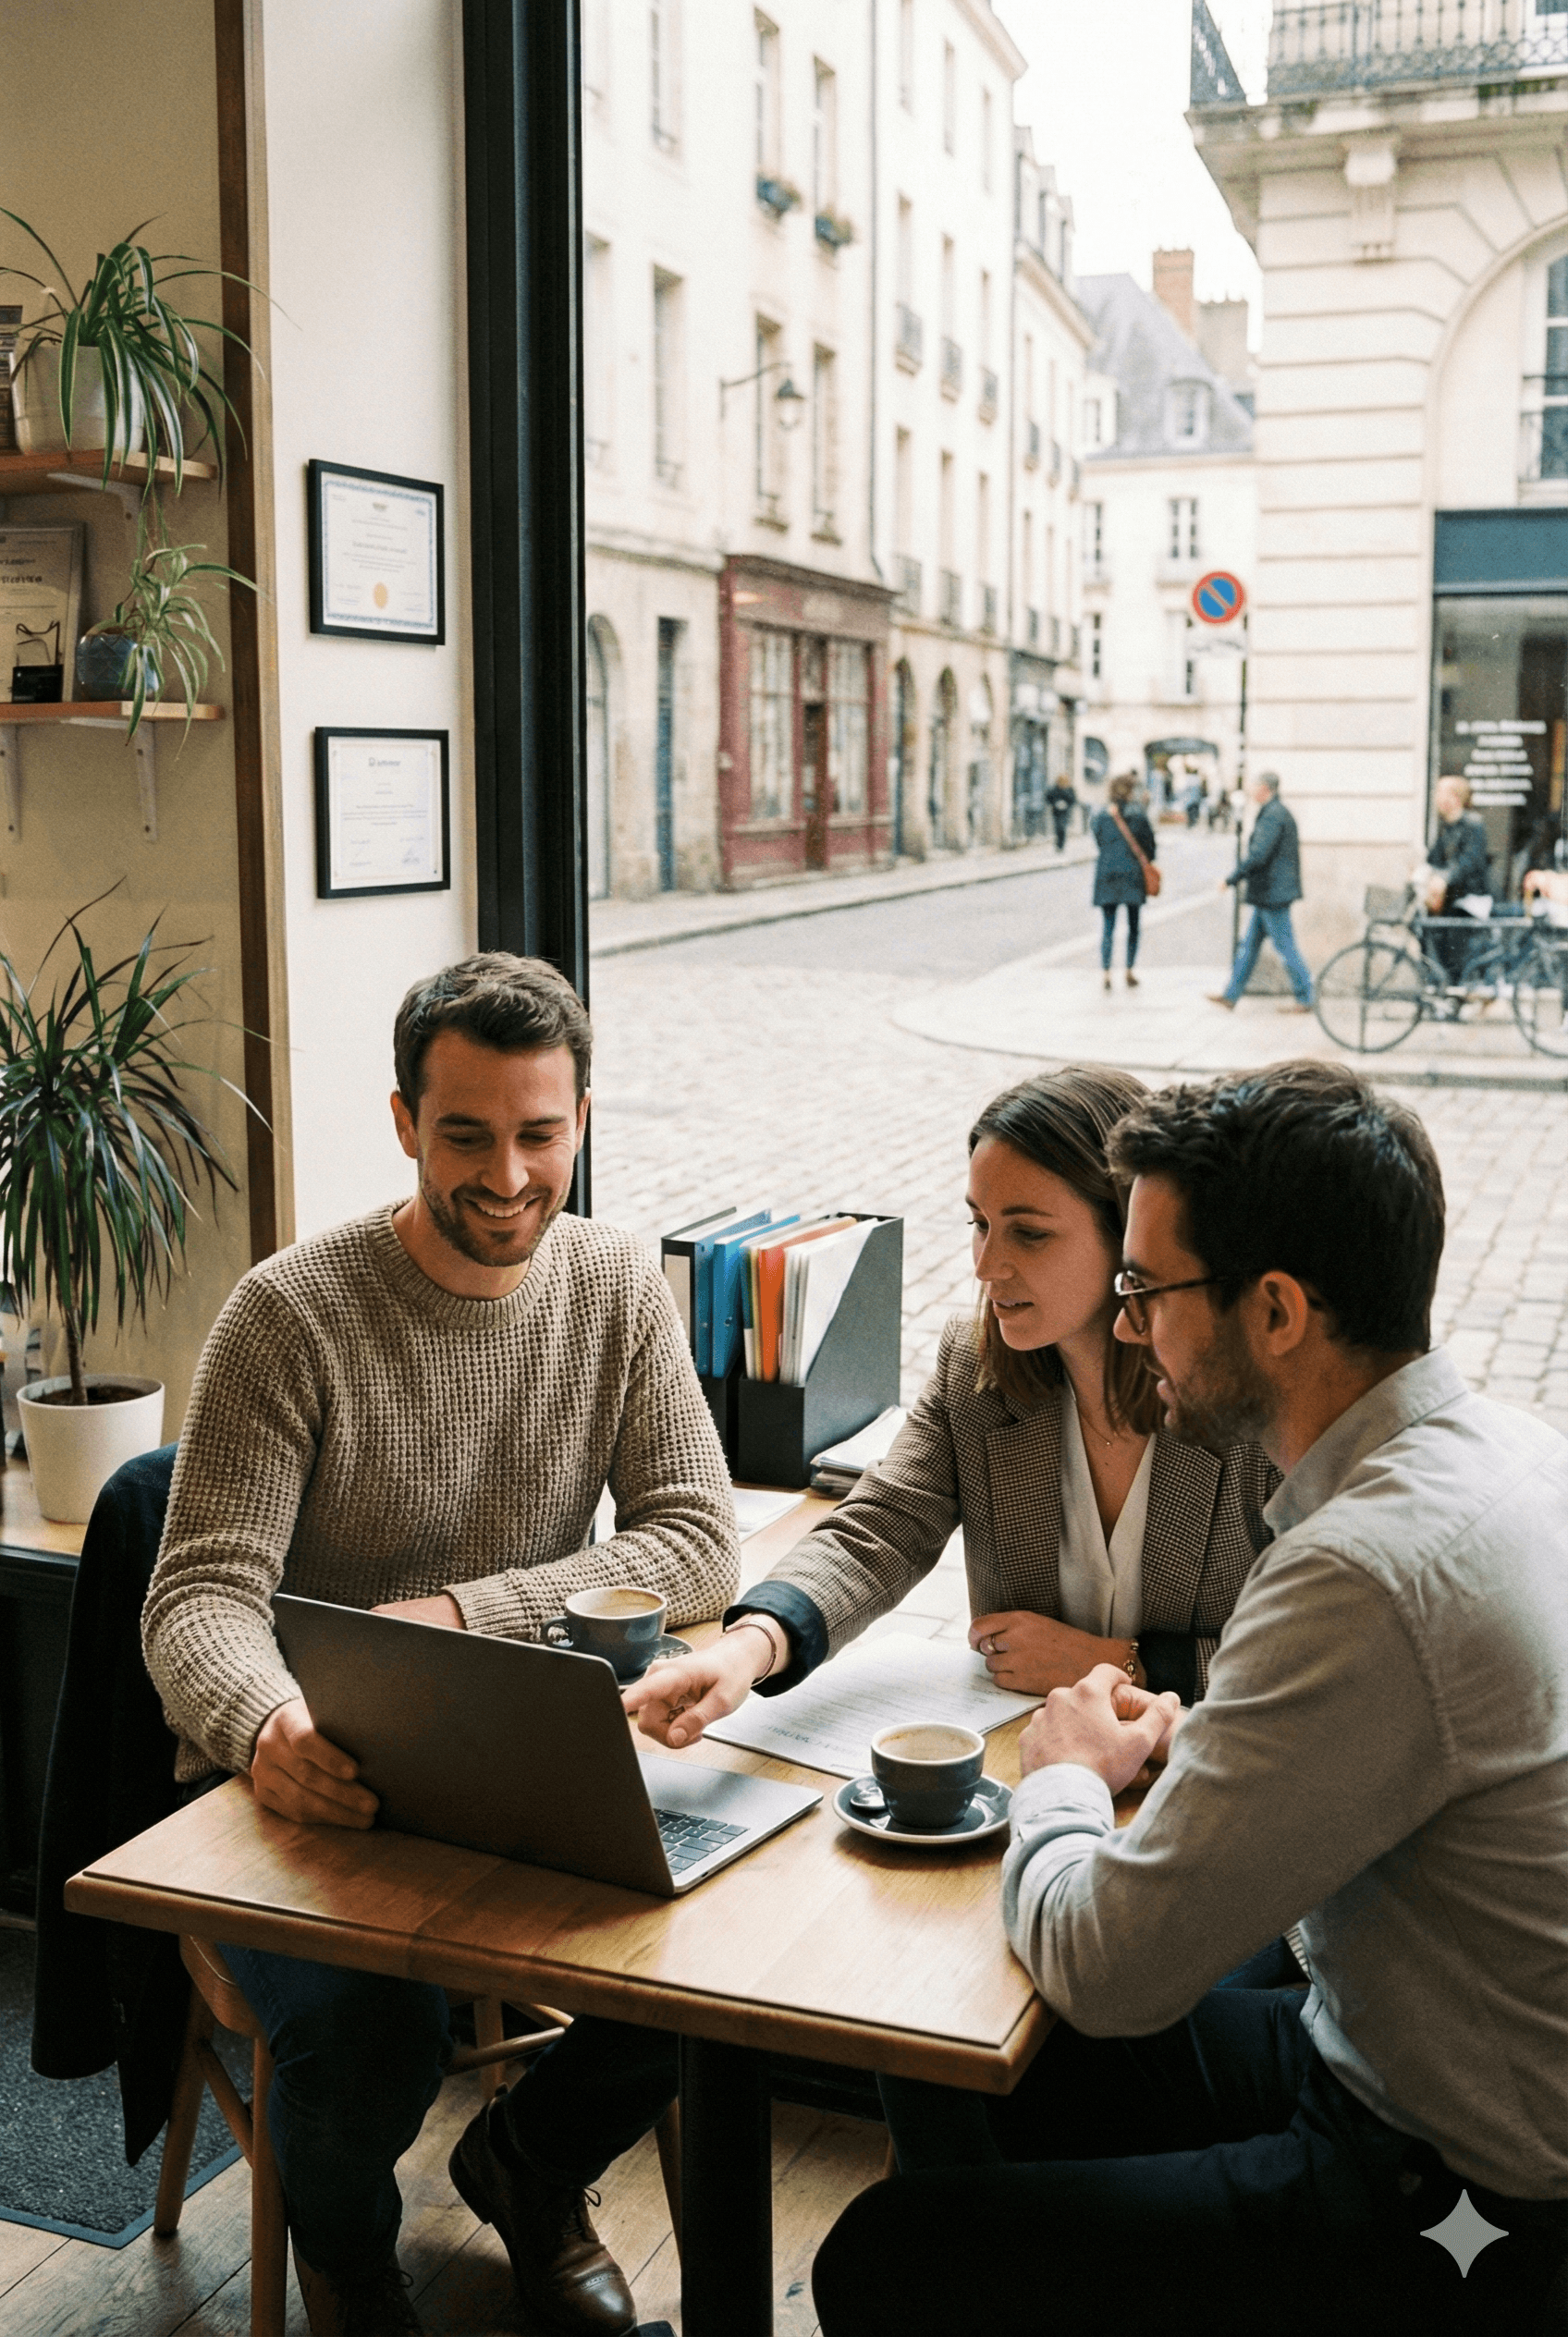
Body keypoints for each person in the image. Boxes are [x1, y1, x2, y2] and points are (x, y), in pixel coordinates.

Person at [811, 1060, 1568, 2337]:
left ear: (1274, 1310)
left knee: (885, 2257)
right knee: (972, 2055)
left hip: (1453, 2188)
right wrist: (1196, 1728)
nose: (1126, 1327)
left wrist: (1059, 1769)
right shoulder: (1500, 1451)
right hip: (1408, 2056)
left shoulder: (1356, 1568)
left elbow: (1111, 1974)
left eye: (1148, 1291)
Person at [141, 952, 739, 2337]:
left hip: (516, 1757)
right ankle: (346, 2256)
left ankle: (529, 2172)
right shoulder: (291, 1313)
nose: (511, 1174)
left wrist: (471, 1613)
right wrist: (262, 1726)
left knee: (720, 1949)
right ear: (405, 1120)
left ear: (582, 1118)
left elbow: (699, 1538)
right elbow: (197, 1600)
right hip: (308, 1782)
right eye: (466, 1134)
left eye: (541, 1135)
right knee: (365, 2040)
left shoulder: (614, 1285)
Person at [624, 1064, 1277, 1764]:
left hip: (1208, 1771)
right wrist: (748, 1648)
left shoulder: (1237, 1397)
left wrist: (1128, 1664)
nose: (986, 1264)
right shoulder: (976, 1368)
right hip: (1020, 1764)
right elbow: (881, 1530)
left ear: (1129, 1233)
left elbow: (1300, 1655)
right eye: (980, 1224)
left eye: (1029, 1234)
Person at [1208, 769, 1314, 1013]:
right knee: (1249, 946)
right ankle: (1230, 995)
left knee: (1286, 947)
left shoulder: (1273, 815)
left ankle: (1306, 996)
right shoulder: (1274, 812)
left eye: (1254, 785)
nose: (1251, 790)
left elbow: (1258, 856)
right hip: (1270, 893)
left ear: (1265, 789)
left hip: (1272, 894)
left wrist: (1231, 879)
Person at [1421, 773, 1492, 990]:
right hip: (1453, 899)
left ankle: (1457, 991)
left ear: (1454, 797)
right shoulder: (1448, 827)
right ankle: (1447, 990)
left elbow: (1469, 861)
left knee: (1454, 946)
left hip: (1469, 899)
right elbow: (1435, 859)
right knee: (1436, 939)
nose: (1435, 797)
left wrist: (1444, 879)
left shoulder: (1472, 825)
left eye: (1439, 792)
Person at [1090, 773, 1157, 994]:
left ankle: (1106, 973)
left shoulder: (1101, 815)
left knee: (1108, 927)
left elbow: (1099, 840)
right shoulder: (1138, 815)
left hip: (1107, 873)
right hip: (1132, 874)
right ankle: (1129, 970)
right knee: (1133, 925)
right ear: (1130, 791)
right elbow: (1150, 848)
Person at [1046, 774, 1078, 853]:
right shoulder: (1054, 789)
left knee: (1062, 827)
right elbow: (1048, 798)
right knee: (1057, 827)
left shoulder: (1069, 789)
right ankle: (1058, 844)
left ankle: (1061, 844)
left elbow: (1073, 800)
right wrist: (1055, 803)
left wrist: (1066, 804)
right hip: (1056, 811)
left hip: (1065, 812)